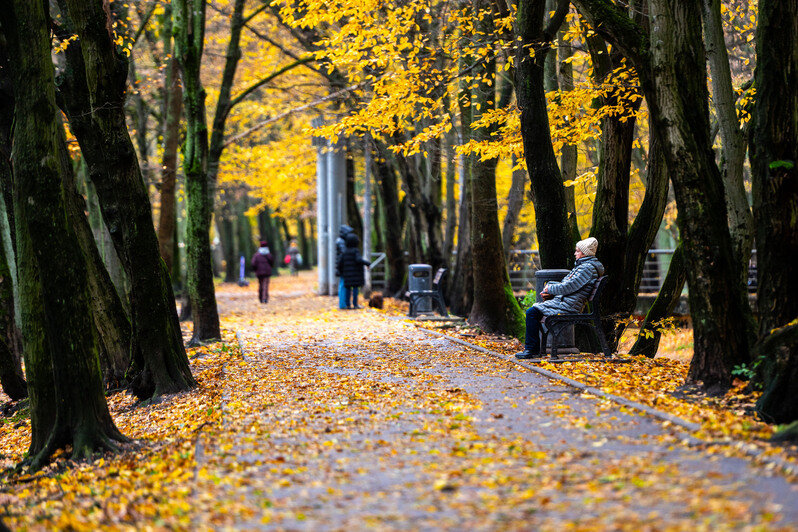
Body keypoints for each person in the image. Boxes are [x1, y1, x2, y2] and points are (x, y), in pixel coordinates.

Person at [515, 237, 605, 359]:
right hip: (565, 302)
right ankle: (532, 349)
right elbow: (569, 285)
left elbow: (569, 286)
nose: (575, 253)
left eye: (577, 251)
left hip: (568, 306)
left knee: (532, 312)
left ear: (585, 253)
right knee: (533, 312)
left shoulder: (586, 268)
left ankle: (531, 350)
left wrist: (549, 289)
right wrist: (551, 290)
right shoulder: (583, 267)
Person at [337, 232, 370, 309]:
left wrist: (341, 271)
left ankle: (348, 304)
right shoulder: (355, 251)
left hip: (347, 275)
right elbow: (359, 260)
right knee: (355, 289)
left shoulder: (344, 252)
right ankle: (355, 304)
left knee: (348, 290)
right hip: (355, 275)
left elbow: (340, 263)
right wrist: (367, 263)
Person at [335, 225, 354, 309]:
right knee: (343, 284)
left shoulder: (340, 241)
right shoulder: (341, 242)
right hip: (343, 266)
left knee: (344, 284)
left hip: (342, 266)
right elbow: (344, 253)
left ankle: (344, 303)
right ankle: (342, 304)